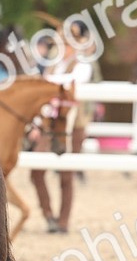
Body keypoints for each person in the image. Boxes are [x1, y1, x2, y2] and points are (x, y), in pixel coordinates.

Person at [29, 21, 102, 232]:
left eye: (69, 41)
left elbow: (73, 81)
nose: (65, 45)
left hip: (74, 124)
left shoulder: (83, 63)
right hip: (49, 121)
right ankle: (48, 214)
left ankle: (63, 221)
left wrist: (49, 81)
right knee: (36, 170)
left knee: (66, 173)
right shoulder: (53, 63)